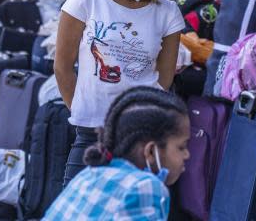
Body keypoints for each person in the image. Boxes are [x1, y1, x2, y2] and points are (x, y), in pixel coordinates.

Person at [54, 0, 185, 185]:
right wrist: (82, 109)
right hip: (91, 134)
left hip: (142, 140)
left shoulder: (168, 13)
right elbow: (63, 66)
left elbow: (163, 80)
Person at [43, 86, 190, 220]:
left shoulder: (88, 174)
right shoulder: (145, 185)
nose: (187, 155)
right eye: (181, 147)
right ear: (150, 152)